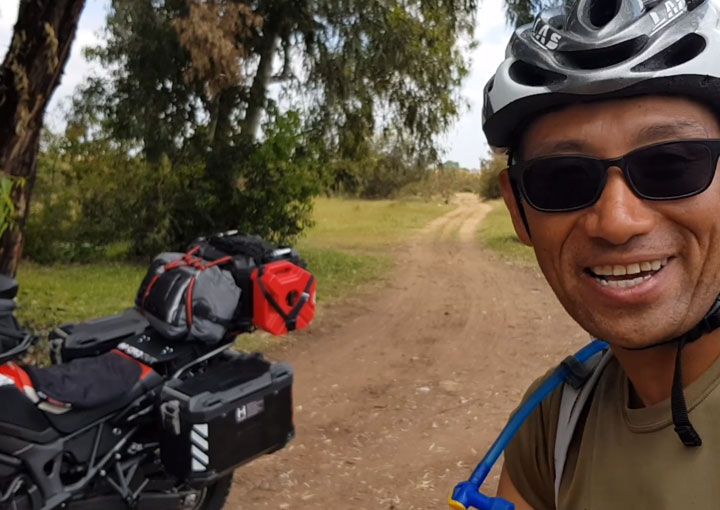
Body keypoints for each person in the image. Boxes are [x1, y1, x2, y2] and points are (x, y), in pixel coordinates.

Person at [481, 0, 720, 508]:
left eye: (671, 165)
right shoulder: (555, 419)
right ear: (518, 211)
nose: (616, 222)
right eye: (562, 178)